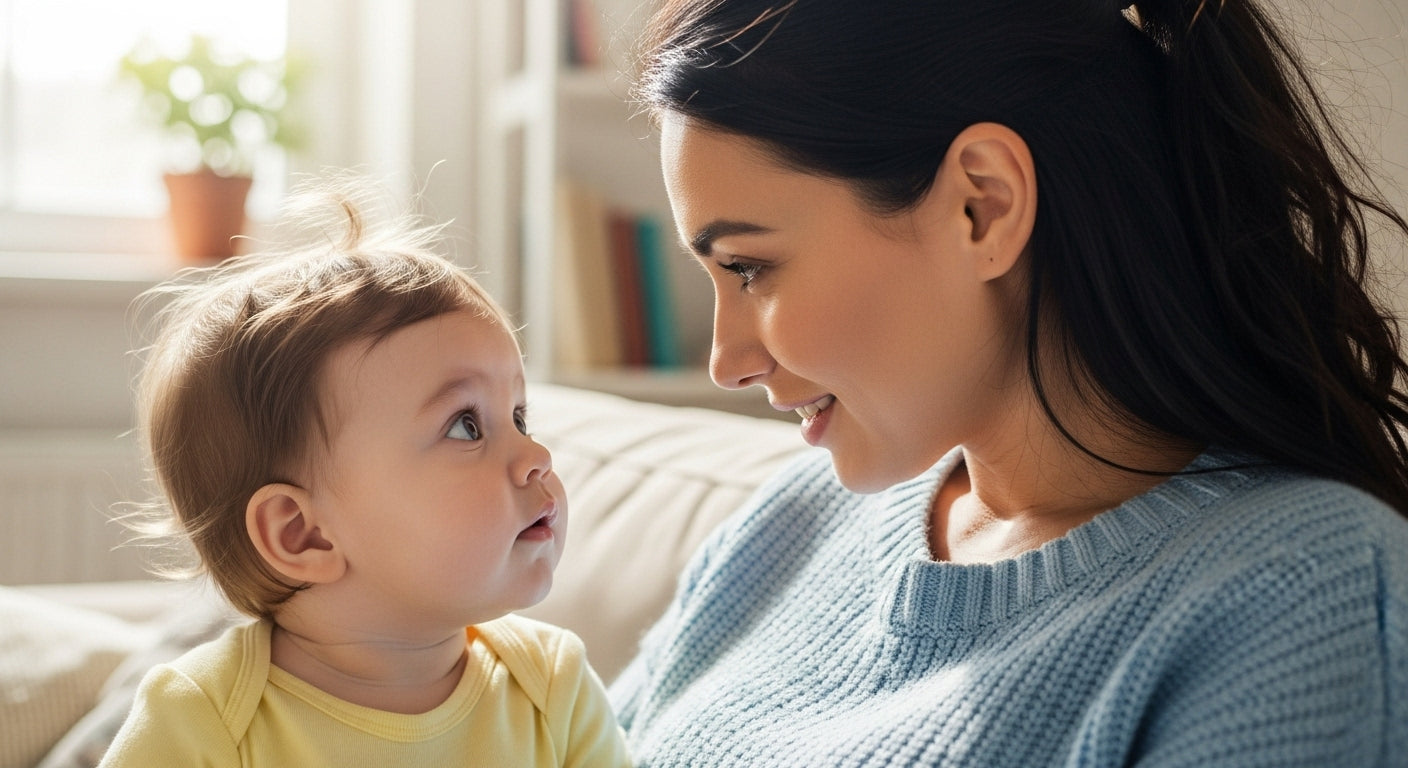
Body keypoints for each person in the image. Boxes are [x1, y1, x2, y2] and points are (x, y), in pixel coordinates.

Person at [609, 0, 1408, 765]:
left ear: (981, 207)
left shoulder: (1307, 594)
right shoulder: (787, 525)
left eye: (749, 268)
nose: (726, 359)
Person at [100, 180, 631, 767]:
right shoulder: (201, 723)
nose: (538, 457)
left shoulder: (551, 689)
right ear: (304, 534)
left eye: (519, 417)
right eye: (466, 426)